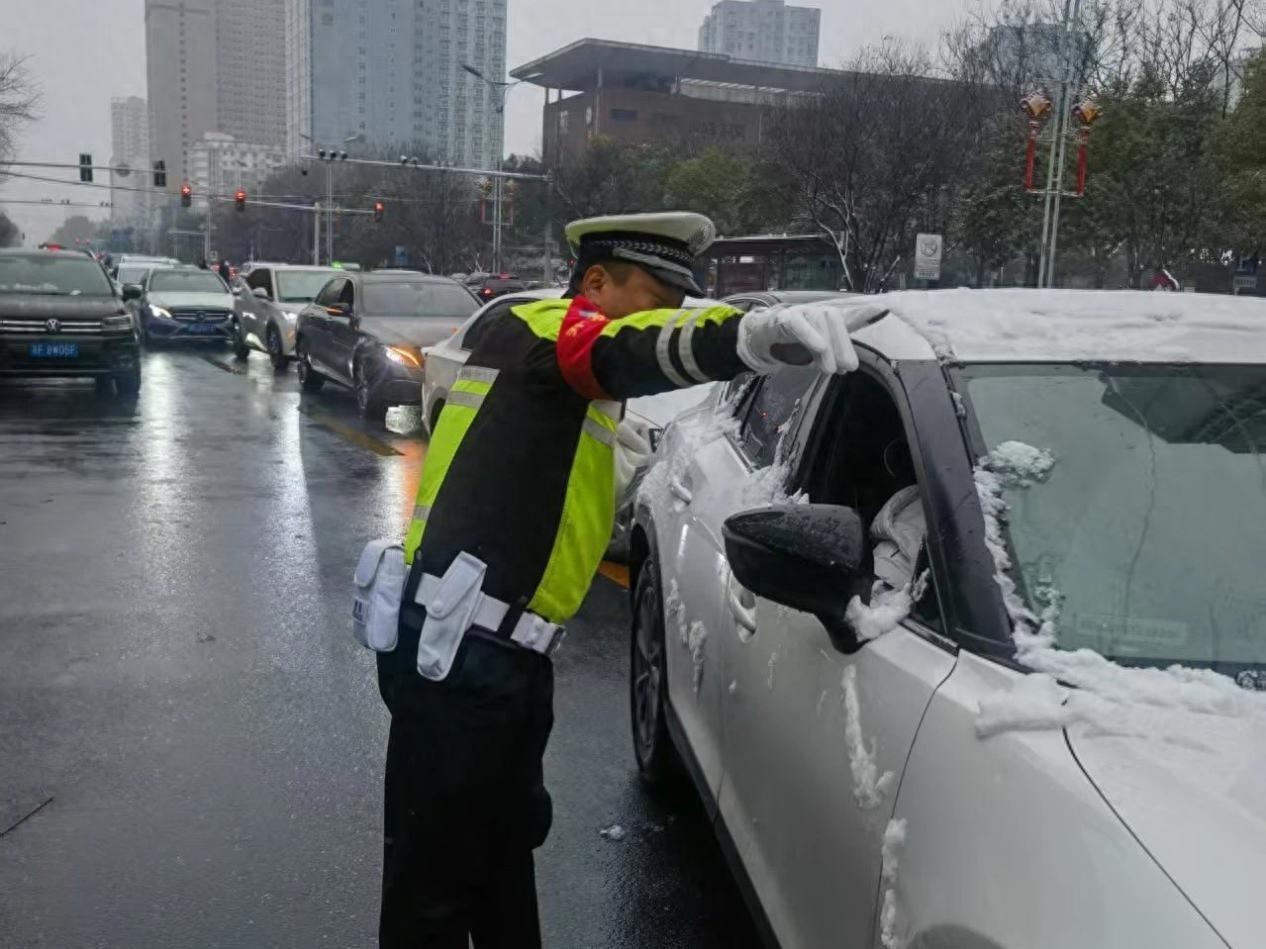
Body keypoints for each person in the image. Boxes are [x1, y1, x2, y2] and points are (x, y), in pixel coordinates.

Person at [370, 212, 885, 948]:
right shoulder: (552, 332)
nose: (661, 319)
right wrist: (744, 340)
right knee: (433, 894)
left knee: (501, 856)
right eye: (653, 300)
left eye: (675, 307)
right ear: (594, 282)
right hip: (463, 658)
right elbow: (621, 351)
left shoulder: (536, 353)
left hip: (494, 656)